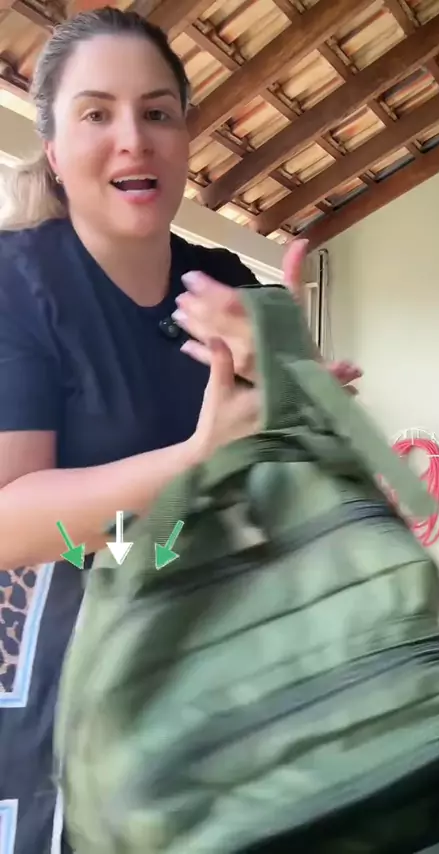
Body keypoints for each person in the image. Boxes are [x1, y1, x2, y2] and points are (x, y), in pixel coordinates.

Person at [0, 8, 362, 853]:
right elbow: (9, 520)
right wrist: (199, 458)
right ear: (54, 148)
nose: (134, 137)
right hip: (66, 691)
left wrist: (306, 414)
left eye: (158, 112)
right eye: (97, 113)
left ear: (185, 138)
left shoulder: (227, 282)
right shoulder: (18, 283)